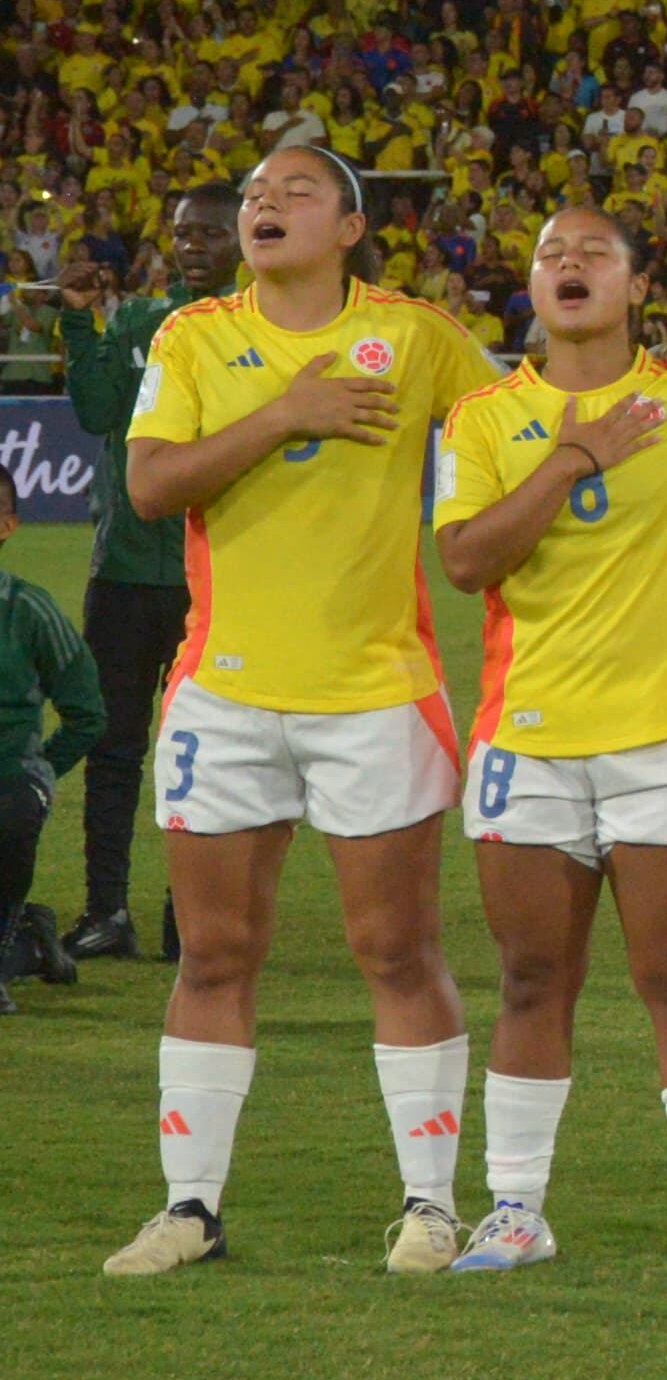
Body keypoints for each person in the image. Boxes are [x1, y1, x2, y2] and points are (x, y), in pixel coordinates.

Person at [103, 147, 501, 1277]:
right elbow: (150, 484)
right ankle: (190, 1206)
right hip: (224, 691)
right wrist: (289, 411)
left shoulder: (418, 334)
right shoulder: (193, 337)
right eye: (254, 195)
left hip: (376, 690)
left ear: (351, 223)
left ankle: (431, 1205)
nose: (264, 204)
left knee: (396, 947)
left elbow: (519, 412)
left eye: (295, 192)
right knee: (216, 950)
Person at [429, 209, 667, 1274]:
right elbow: (465, 561)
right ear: (529, 283)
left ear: (639, 285)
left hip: (666, 735)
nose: (569, 265)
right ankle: (516, 1209)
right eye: (551, 252)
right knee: (529, 979)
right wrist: (572, 460)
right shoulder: (483, 416)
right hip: (530, 734)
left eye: (595, 252)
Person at [52, 185, 237, 963]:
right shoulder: (134, 322)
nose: (193, 244)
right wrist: (78, 321)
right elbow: (96, 415)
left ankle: (187, 917)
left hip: (220, 573)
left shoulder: (258, 329)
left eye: (210, 233)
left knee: (214, 751)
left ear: (240, 240)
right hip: (126, 567)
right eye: (183, 232)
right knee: (118, 744)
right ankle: (107, 912)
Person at [0, 465, 107, 1013]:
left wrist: (35, 771)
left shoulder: (29, 610)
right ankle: (29, 943)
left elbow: (87, 713)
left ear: (7, 526)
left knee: (10, 810)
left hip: (8, 783)